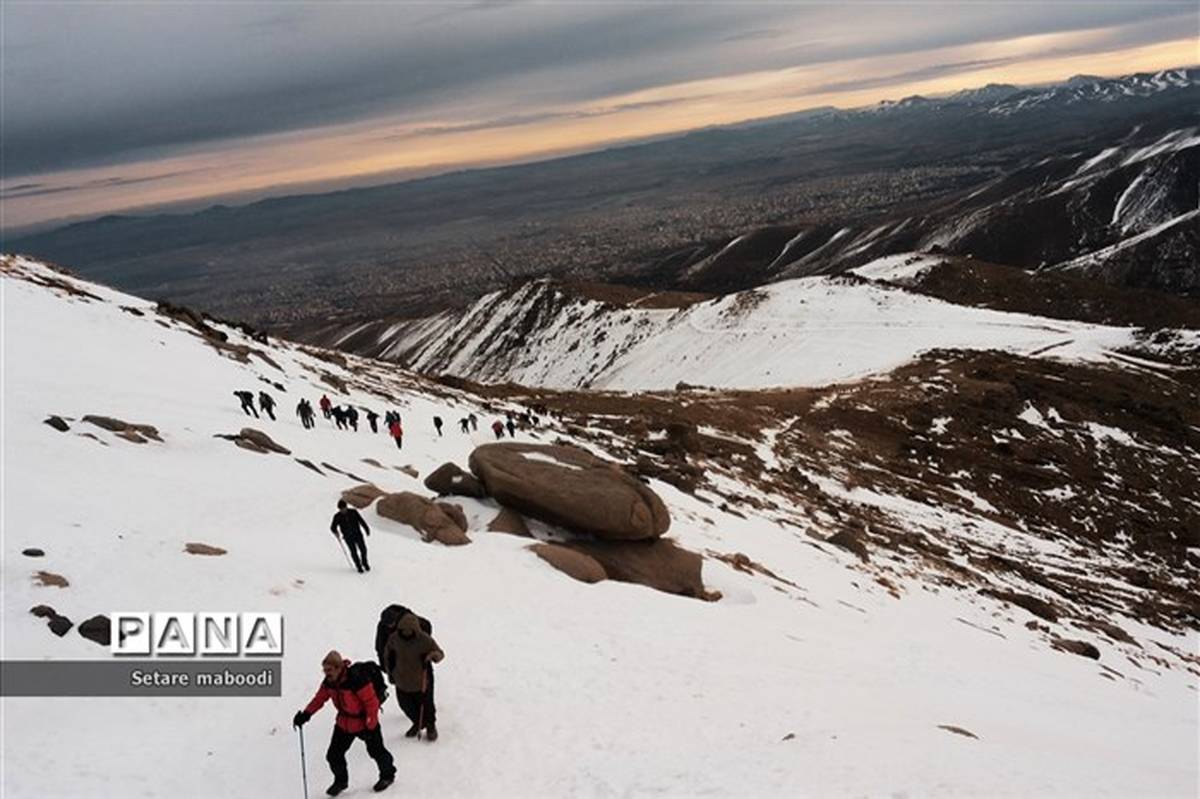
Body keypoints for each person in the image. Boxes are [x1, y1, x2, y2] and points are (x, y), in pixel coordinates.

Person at [293, 651, 395, 796]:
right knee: (333, 755)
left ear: (339, 667)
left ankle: (387, 775)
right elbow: (319, 699)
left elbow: (371, 703)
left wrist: (370, 725)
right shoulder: (329, 683)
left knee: (376, 751)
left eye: (329, 670)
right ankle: (341, 781)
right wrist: (306, 714)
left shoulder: (357, 679)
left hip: (365, 722)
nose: (326, 673)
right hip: (343, 723)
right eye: (324, 670)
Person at [384, 614, 444, 742]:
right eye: (403, 631)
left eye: (409, 631)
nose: (406, 633)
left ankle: (431, 726)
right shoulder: (394, 639)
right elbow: (388, 655)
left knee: (427, 705)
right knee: (405, 705)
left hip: (421, 680)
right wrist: (391, 674)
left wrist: (433, 655)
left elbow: (439, 653)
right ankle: (418, 722)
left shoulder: (424, 640)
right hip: (401, 679)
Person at [330, 499, 371, 573]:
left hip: (358, 534)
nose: (343, 510)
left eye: (344, 508)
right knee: (353, 551)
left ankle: (364, 563)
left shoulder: (353, 512)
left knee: (363, 549)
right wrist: (336, 532)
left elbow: (361, 521)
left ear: (346, 507)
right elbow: (333, 527)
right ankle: (358, 566)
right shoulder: (337, 516)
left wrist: (366, 529)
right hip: (348, 537)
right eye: (341, 509)